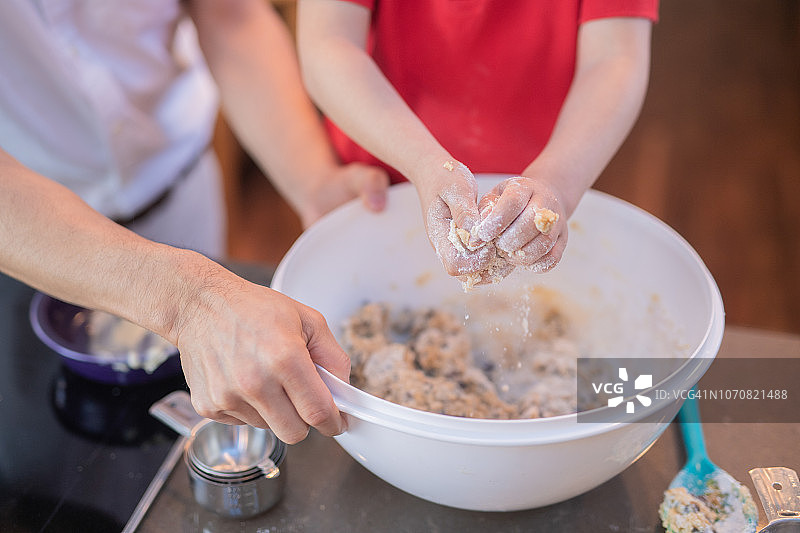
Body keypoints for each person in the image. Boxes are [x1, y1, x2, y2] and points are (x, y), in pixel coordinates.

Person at [0, 0, 390, 444]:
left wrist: (312, 178)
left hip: (182, 189)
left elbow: (230, 15)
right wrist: (187, 299)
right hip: (26, 244)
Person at [296, 0, 658, 285]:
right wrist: (425, 164)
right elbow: (329, 42)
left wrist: (557, 185)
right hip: (386, 171)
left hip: (549, 172)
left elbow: (613, 58)